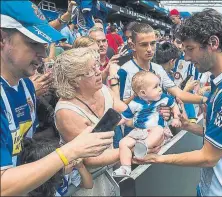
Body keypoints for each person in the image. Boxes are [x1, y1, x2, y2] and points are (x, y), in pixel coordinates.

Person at [134, 9, 222, 197]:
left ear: (213, 43)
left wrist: (158, 159)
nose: (185, 57)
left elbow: (208, 157)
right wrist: (187, 126)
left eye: (190, 49)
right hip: (213, 188)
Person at [0, 1, 114, 196]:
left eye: (45, 45)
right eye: (33, 43)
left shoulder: (26, 87)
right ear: (3, 38)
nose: (44, 54)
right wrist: (69, 151)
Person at [53, 47, 126, 196]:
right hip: (86, 185)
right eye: (90, 71)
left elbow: (123, 110)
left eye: (96, 66)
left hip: (107, 172)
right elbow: (90, 158)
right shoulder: (66, 112)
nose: (98, 72)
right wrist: (128, 151)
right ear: (74, 80)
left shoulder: (101, 89)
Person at [113, 71, 181, 177]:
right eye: (155, 87)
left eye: (159, 85)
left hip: (156, 132)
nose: (160, 88)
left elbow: (174, 105)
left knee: (158, 129)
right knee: (123, 142)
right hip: (139, 132)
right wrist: (114, 123)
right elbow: (124, 117)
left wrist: (176, 117)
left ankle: (144, 146)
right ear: (143, 93)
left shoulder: (163, 98)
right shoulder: (134, 103)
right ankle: (125, 168)